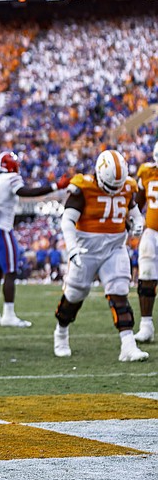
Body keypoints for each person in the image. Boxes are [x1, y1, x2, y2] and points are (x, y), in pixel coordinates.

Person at [53, 150, 149, 362]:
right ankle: (61, 332)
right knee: (75, 295)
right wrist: (72, 248)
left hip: (114, 247)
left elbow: (132, 210)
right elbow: (67, 220)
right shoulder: (83, 187)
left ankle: (128, 345)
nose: (115, 190)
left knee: (119, 293)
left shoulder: (127, 186)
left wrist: (138, 222)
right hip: (86, 250)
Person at [0, 151, 68, 327]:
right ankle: (8, 315)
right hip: (4, 229)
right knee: (10, 272)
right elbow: (25, 192)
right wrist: (55, 186)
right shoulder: (10, 179)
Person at [133, 142, 158, 343]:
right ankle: (146, 325)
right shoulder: (147, 173)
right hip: (152, 232)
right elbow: (138, 200)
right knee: (146, 275)